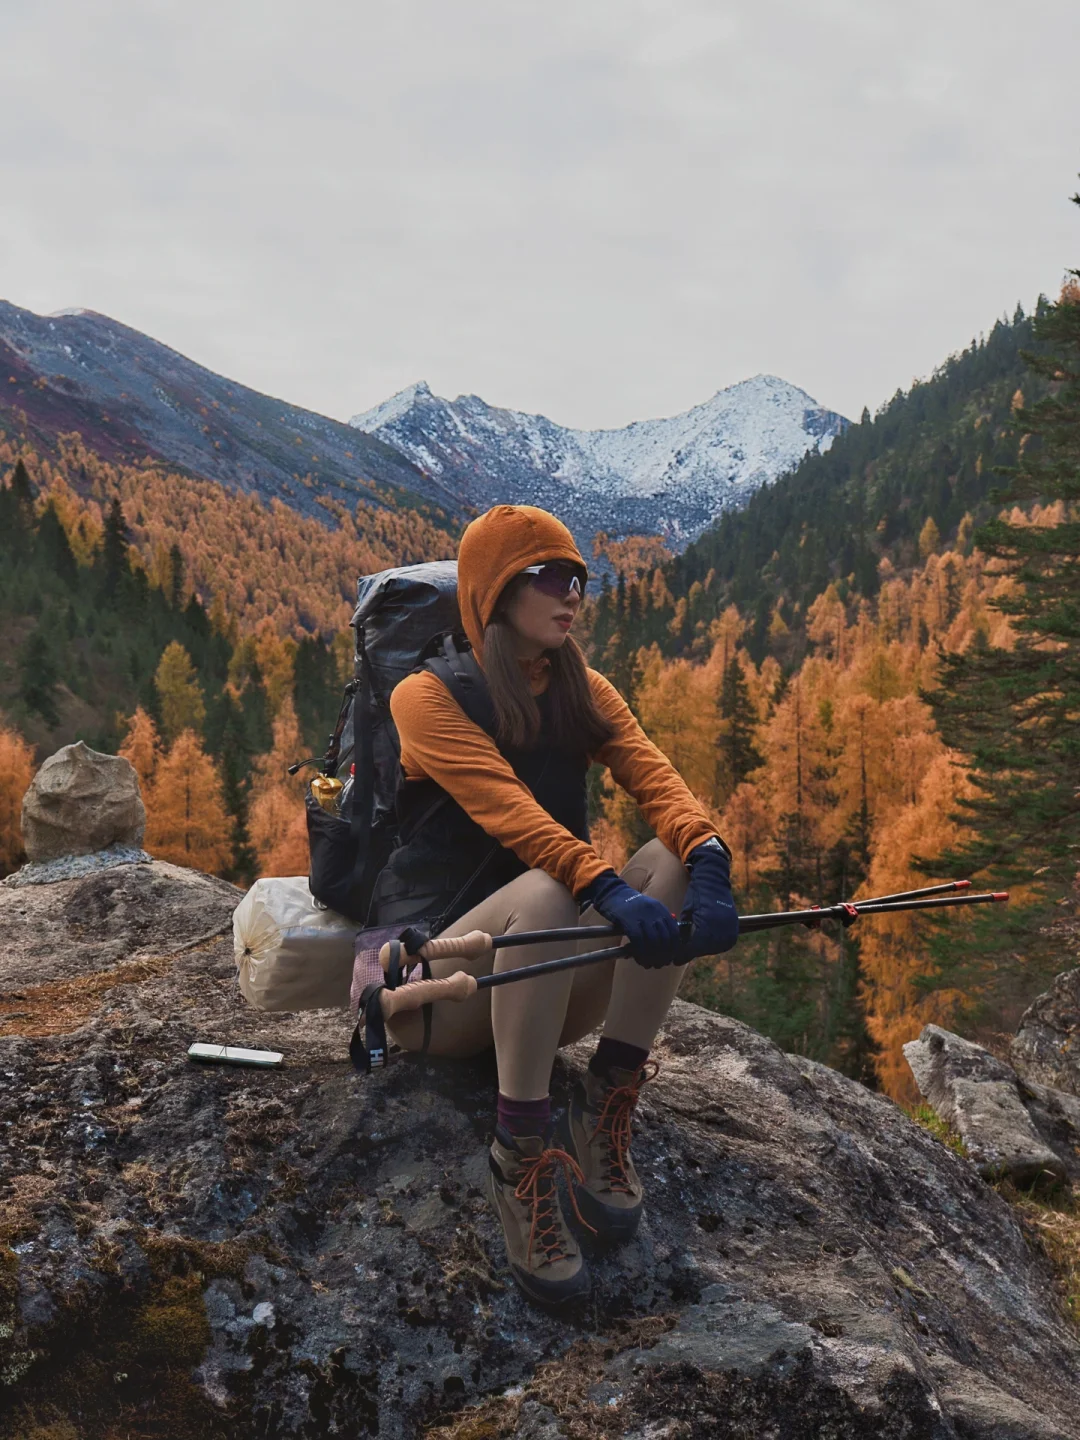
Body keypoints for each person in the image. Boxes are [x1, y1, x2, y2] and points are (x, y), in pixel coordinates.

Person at [373, 504, 738, 1306]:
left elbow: (654, 777)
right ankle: (519, 1153)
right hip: (438, 995)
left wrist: (709, 854)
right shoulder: (424, 700)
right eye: (545, 577)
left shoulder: (583, 687)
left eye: (577, 577)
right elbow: (511, 812)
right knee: (546, 888)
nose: (569, 593)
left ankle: (606, 1099)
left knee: (671, 862)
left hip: (541, 988)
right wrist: (602, 887)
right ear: (493, 594)